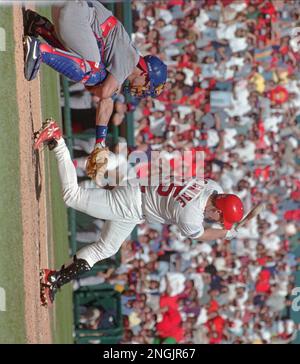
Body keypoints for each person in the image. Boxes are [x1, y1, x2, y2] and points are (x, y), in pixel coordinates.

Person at [35, 119, 244, 306]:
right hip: (132, 202)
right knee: (73, 196)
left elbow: (211, 208)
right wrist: (226, 233)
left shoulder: (212, 186)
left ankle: (54, 279)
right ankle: (58, 140)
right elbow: (202, 235)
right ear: (217, 209)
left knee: (106, 249)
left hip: (136, 205)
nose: (216, 221)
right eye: (220, 218)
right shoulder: (191, 215)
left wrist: (226, 226)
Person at [23, 1, 167, 184]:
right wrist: (95, 87)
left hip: (72, 12)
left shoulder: (127, 59)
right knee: (94, 73)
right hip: (76, 14)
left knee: (95, 71)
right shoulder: (130, 61)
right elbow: (104, 92)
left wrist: (100, 142)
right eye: (148, 86)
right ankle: (39, 51)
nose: (143, 90)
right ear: (146, 75)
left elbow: (107, 101)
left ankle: (39, 26)